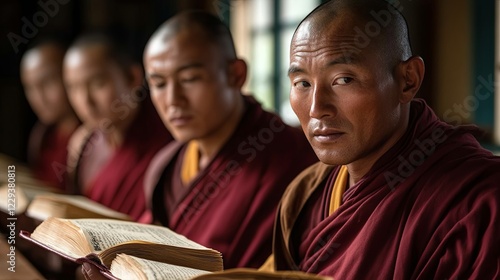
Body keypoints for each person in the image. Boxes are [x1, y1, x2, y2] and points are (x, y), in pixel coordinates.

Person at [267, 0, 500, 279]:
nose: (317, 108)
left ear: (407, 80)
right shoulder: (305, 194)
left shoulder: (480, 202)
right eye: (302, 83)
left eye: (344, 80)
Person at [141, 11, 318, 269]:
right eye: (159, 84)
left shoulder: (290, 156)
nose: (173, 100)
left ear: (236, 75)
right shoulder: (166, 165)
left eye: (190, 79)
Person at [63, 34, 172, 221]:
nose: (85, 101)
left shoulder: (167, 139)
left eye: (98, 84)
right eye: (74, 88)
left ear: (133, 77)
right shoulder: (85, 147)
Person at [20, 40, 80, 191]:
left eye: (47, 83)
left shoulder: (92, 139)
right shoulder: (42, 136)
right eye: (30, 88)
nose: (39, 97)